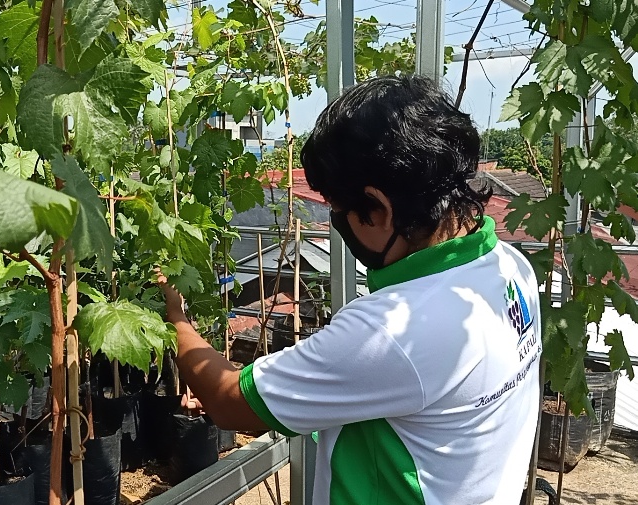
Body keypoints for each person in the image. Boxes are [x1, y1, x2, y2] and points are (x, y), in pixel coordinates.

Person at [156, 75, 542, 504]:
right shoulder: (509, 267)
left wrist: (176, 317)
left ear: (379, 208)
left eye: (339, 211)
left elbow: (228, 401)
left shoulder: (396, 330)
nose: (338, 226)